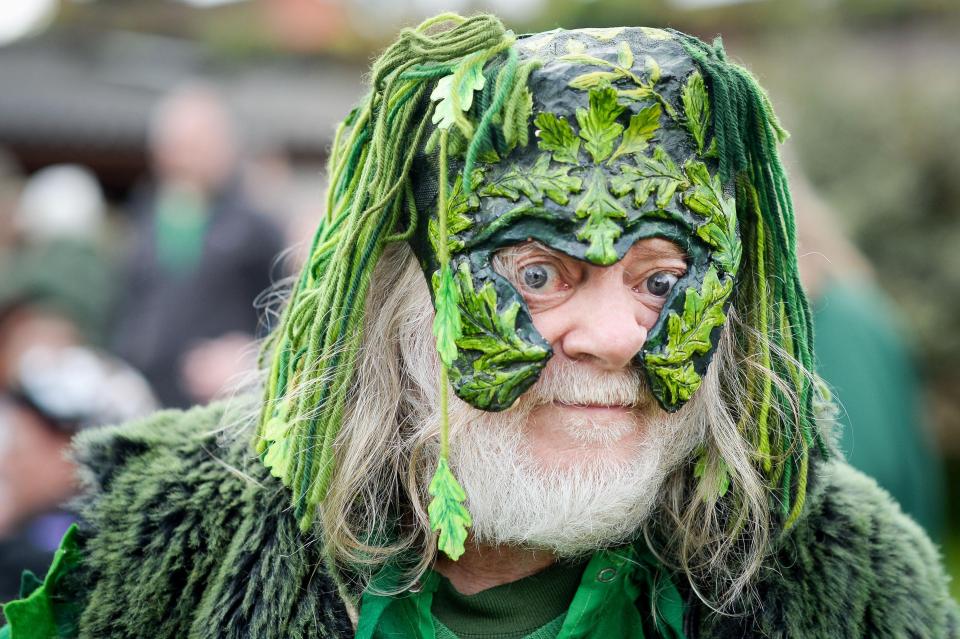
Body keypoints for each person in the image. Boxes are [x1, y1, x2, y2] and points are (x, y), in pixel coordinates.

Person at [3, 15, 957, 639]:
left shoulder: (854, 591)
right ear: (398, 291)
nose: (617, 334)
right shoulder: (165, 554)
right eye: (539, 272)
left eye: (662, 278)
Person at [110, 85, 286, 409]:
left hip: (218, 404)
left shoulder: (256, 226)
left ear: (226, 148)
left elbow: (285, 309)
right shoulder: (144, 219)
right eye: (174, 148)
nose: (183, 160)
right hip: (143, 400)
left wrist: (253, 359)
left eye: (197, 146)